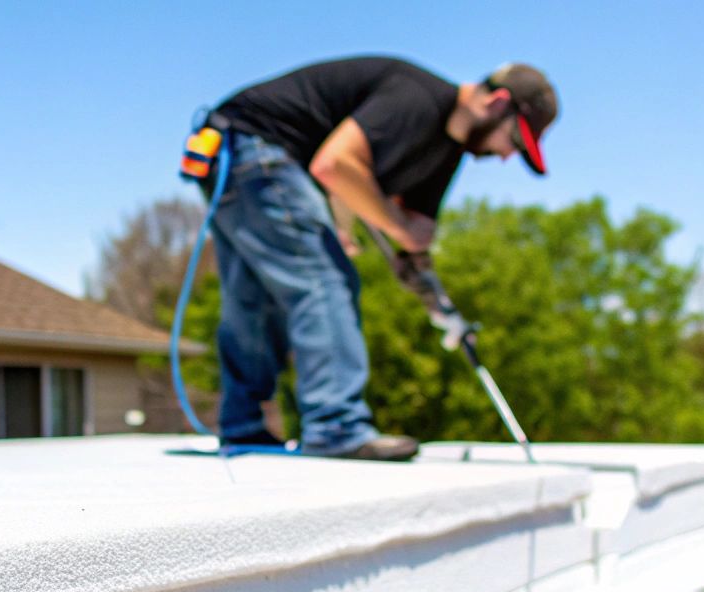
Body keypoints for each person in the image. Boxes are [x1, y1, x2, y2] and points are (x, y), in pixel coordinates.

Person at [199, 56, 557, 460]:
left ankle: (243, 428)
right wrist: (393, 227)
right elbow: (334, 165)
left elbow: (415, 238)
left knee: (254, 295)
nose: (508, 155)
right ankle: (336, 426)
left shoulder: (445, 153)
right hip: (253, 145)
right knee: (325, 281)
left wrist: (435, 299)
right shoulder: (418, 99)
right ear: (497, 104)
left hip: (242, 153)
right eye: (514, 139)